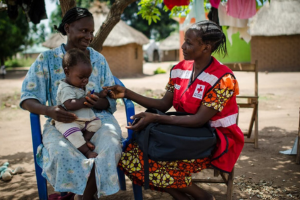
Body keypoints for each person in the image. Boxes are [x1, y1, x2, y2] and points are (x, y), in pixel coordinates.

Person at [104, 20, 244, 200]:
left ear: (206, 47)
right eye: (184, 40)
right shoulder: (179, 70)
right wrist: (127, 93)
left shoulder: (223, 79)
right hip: (185, 132)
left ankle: (202, 196)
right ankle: (183, 197)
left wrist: (155, 118)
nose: (183, 46)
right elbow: (163, 104)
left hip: (215, 138)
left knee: (158, 158)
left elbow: (199, 120)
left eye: (189, 43)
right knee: (132, 155)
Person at [20, 7, 122, 200]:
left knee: (110, 144)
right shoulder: (47, 59)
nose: (89, 36)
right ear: (67, 28)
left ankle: (83, 197)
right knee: (59, 151)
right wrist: (50, 110)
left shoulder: (98, 60)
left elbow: (110, 99)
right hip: (62, 121)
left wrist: (97, 101)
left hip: (98, 120)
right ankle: (81, 193)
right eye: (84, 31)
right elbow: (27, 97)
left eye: (91, 32)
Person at [54, 48, 108, 159]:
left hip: (83, 120)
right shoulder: (65, 88)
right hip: (68, 120)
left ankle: (86, 139)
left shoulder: (79, 84)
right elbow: (69, 104)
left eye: (87, 77)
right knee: (73, 133)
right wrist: (85, 101)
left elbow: (88, 94)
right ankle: (86, 152)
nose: (85, 81)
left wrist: (100, 94)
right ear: (67, 72)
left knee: (96, 123)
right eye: (81, 77)